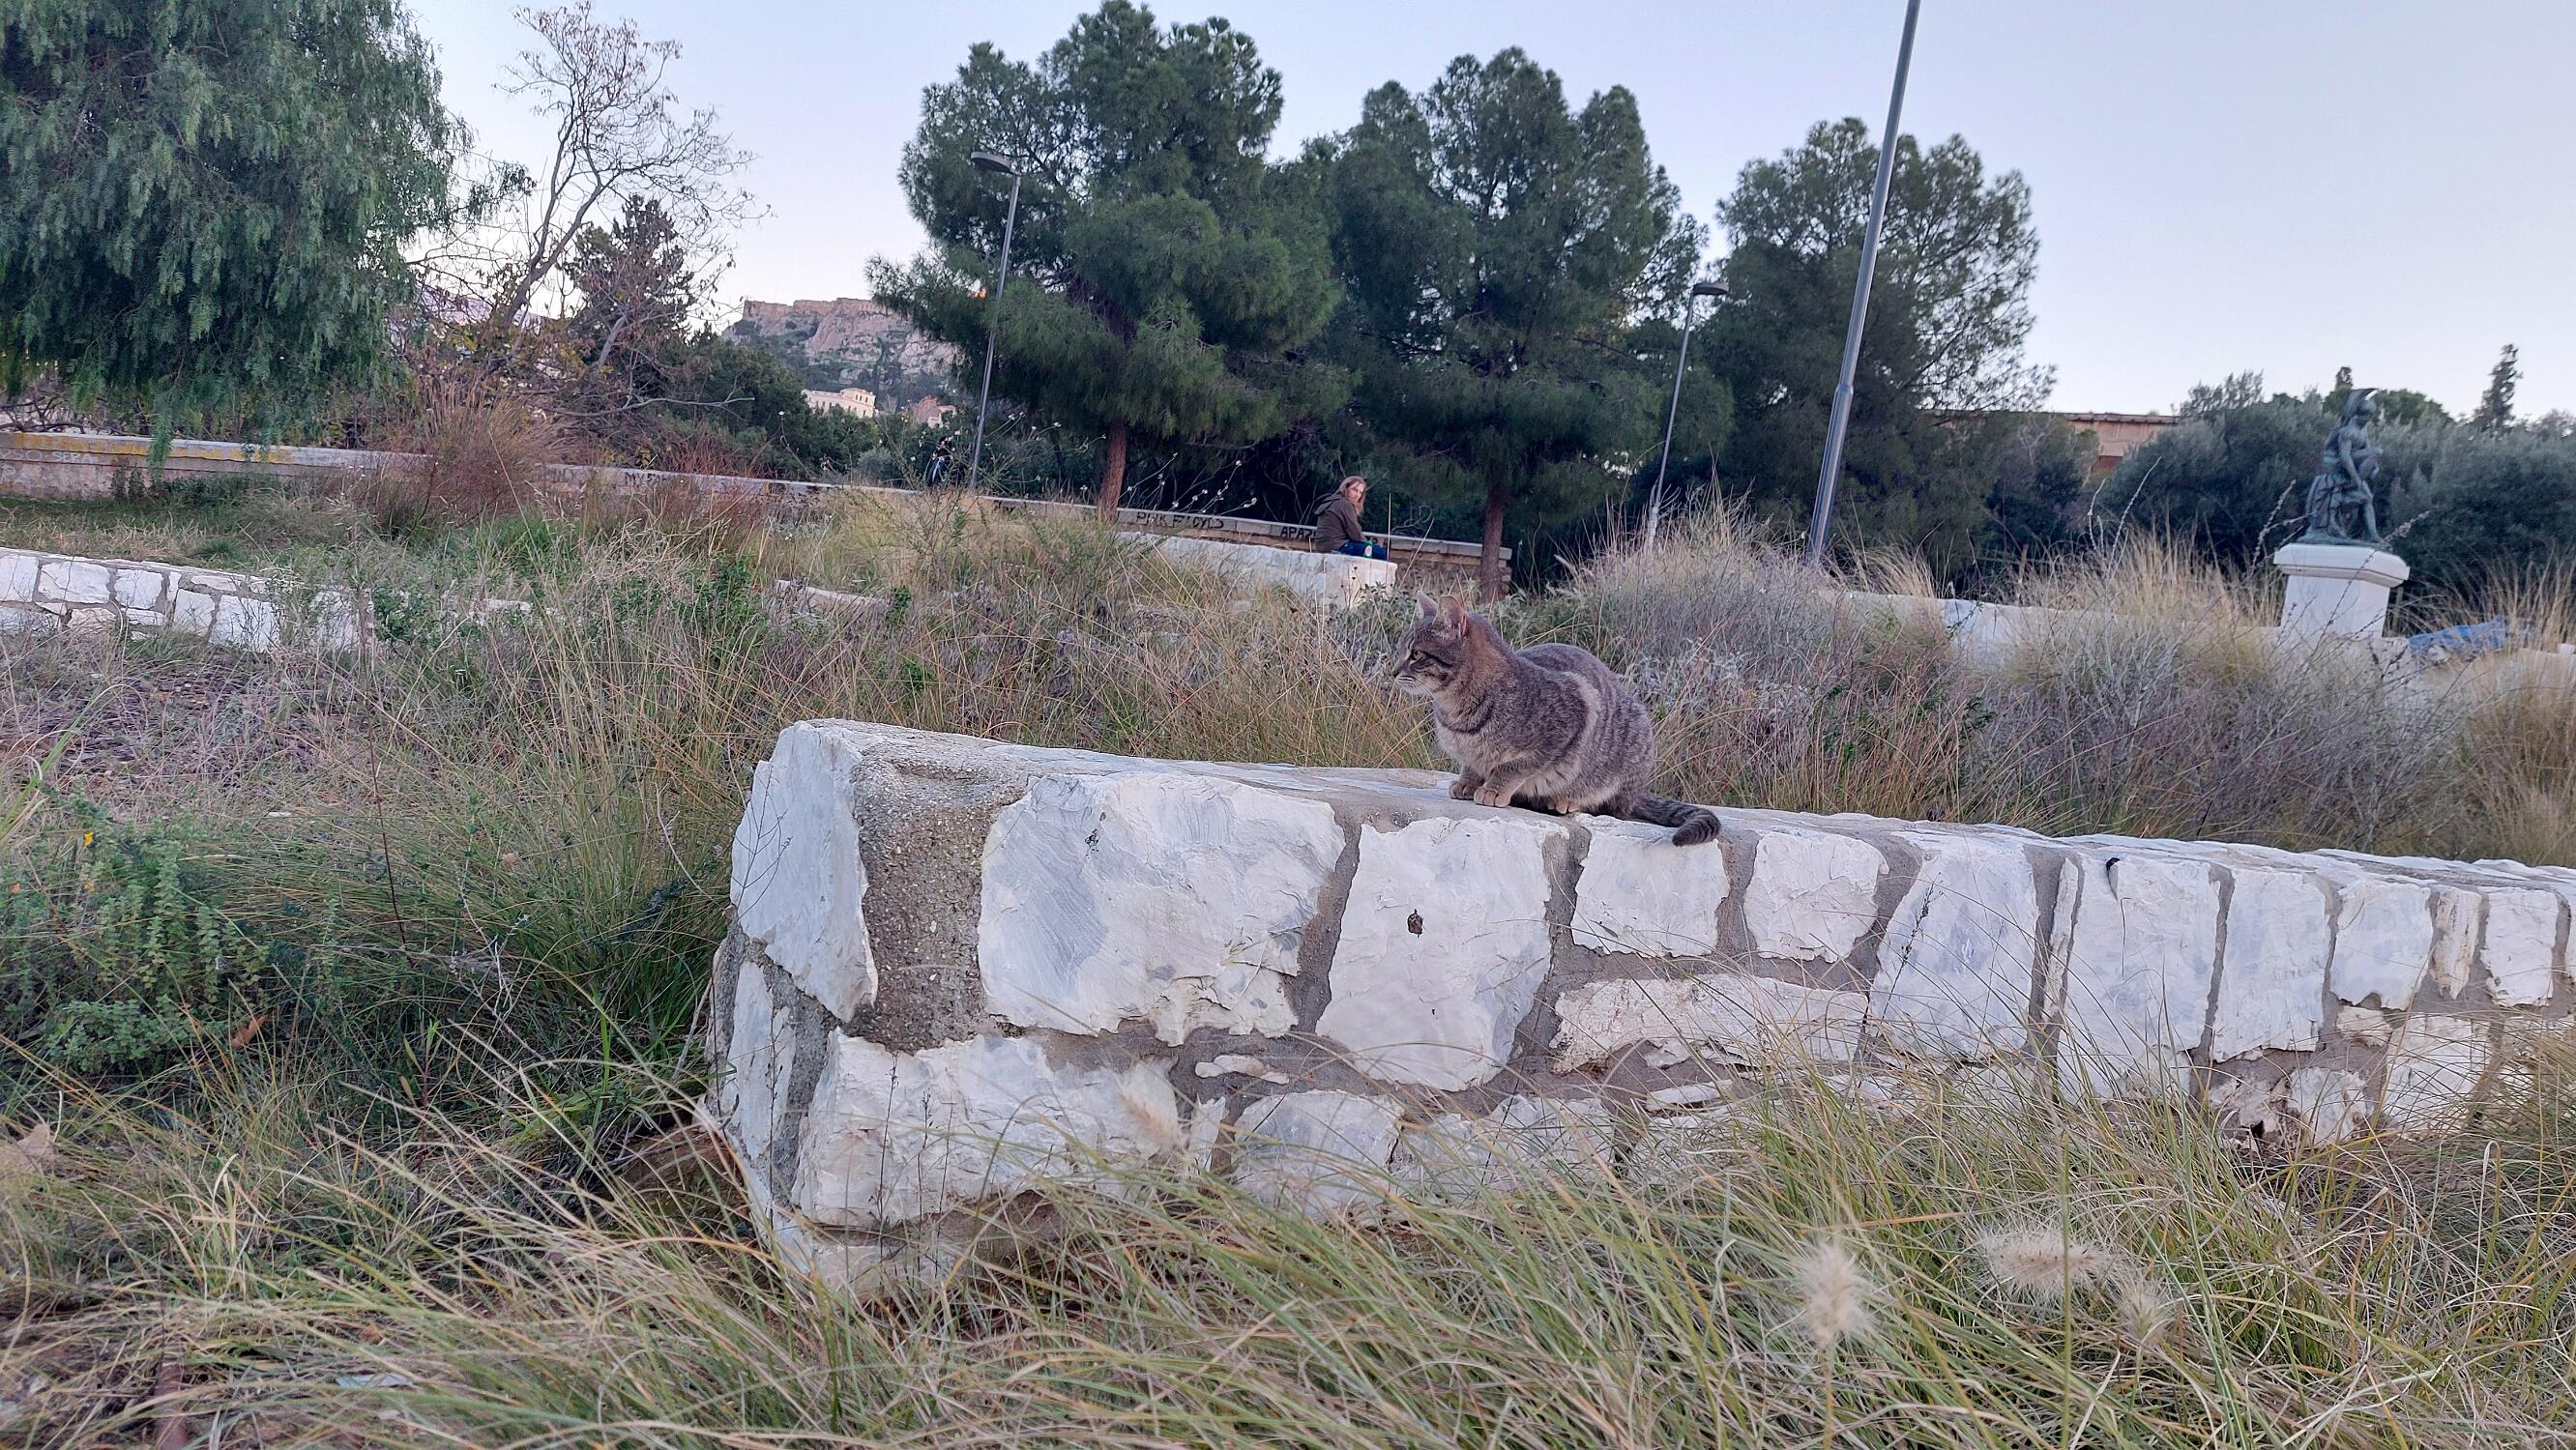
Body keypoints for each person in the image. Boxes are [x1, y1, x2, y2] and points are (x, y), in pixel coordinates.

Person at [1310, 475, 1390, 560]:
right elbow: (1355, 533)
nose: (1357, 495)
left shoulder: (1332, 500)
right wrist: (1368, 544)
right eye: (1355, 490)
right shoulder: (1344, 504)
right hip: (1337, 546)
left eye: (1360, 492)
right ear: (1346, 487)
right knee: (1381, 553)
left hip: (1323, 547)